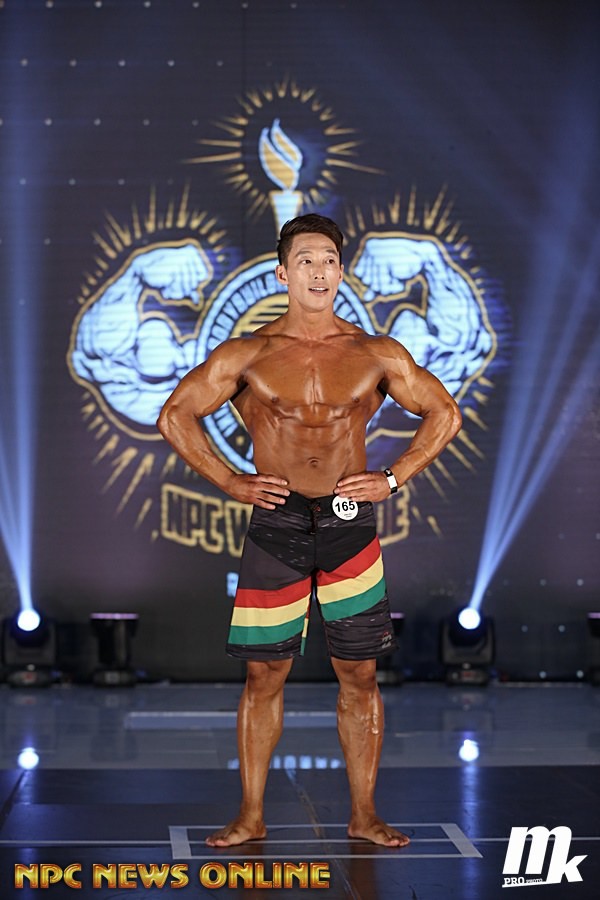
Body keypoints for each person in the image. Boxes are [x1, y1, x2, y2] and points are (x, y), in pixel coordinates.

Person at [157, 213, 462, 848]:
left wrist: (394, 477)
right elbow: (176, 414)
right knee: (264, 674)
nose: (318, 271)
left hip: (350, 527)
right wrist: (231, 480)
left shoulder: (375, 352)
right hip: (279, 524)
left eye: (328, 260)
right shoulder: (249, 353)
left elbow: (444, 412)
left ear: (341, 272)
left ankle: (364, 814)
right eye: (305, 261)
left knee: (360, 675)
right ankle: (251, 815)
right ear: (282, 273)